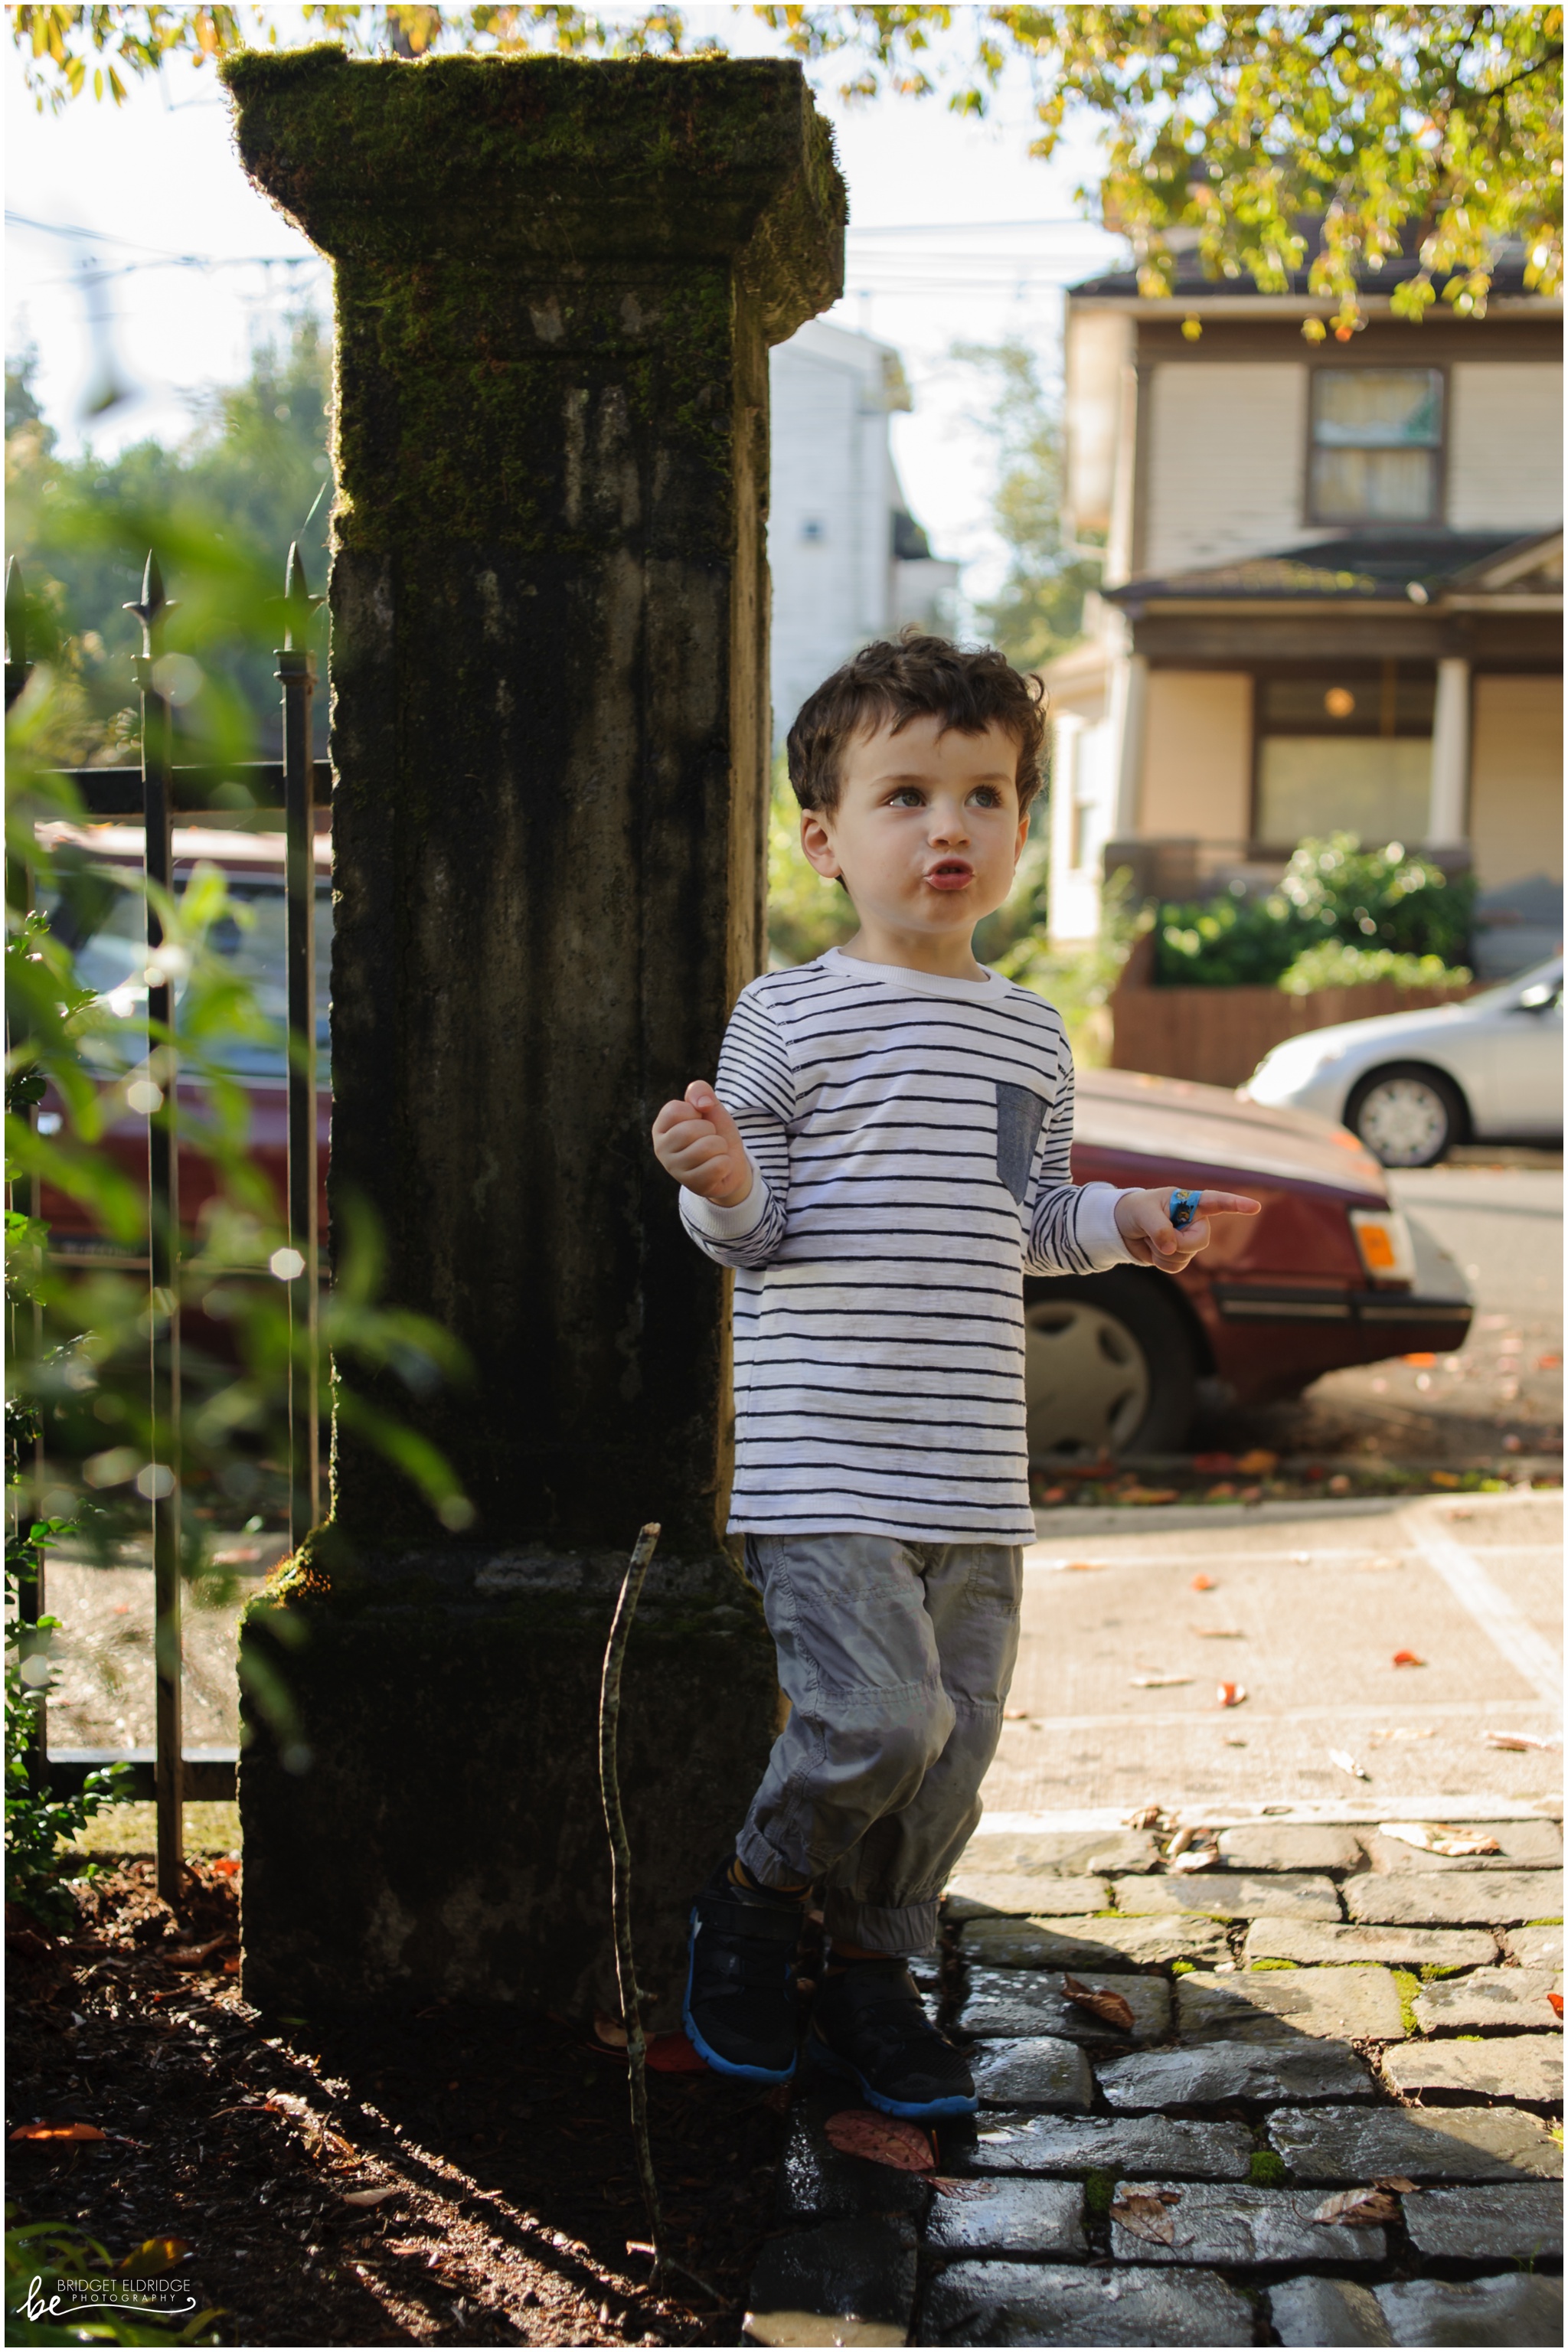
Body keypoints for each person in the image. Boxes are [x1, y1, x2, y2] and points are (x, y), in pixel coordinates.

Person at [650, 635, 1258, 2120]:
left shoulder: (1026, 1032)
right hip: (827, 1462)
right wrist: (719, 1176)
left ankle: (873, 1975)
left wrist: (1141, 1227)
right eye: (907, 795)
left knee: (951, 1754)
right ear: (824, 836)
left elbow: (1031, 1220)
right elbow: (752, 1230)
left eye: (984, 797)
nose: (948, 827)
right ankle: (748, 1899)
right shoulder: (785, 1015)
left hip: (973, 1470)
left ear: (1019, 825)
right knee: (878, 1721)